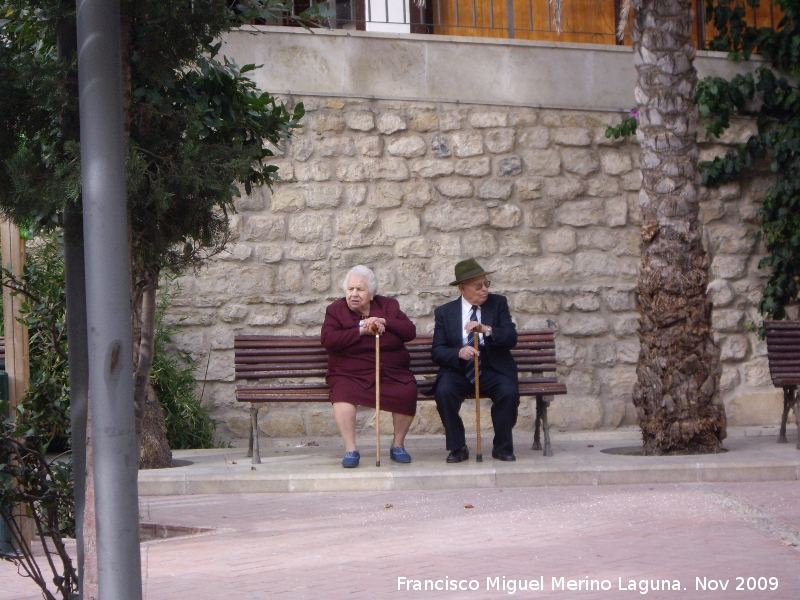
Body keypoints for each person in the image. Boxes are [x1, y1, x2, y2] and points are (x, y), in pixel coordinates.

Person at [321, 265, 418, 468]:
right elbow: (328, 340)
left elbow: (409, 332)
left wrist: (385, 321)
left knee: (406, 389)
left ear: (372, 293)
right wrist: (361, 330)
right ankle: (351, 450)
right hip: (349, 373)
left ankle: (397, 446)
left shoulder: (389, 307)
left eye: (360, 289)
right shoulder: (336, 310)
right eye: (350, 289)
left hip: (389, 370)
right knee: (343, 392)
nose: (354, 294)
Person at [432, 258, 520, 463]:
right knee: (444, 392)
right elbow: (437, 351)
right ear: (462, 288)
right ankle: (458, 447)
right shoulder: (445, 313)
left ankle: (502, 446)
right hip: (460, 369)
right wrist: (458, 353)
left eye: (486, 284)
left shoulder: (498, 304)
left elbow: (510, 338)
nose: (484, 290)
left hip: (492, 367)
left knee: (508, 392)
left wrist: (487, 329)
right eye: (478, 285)